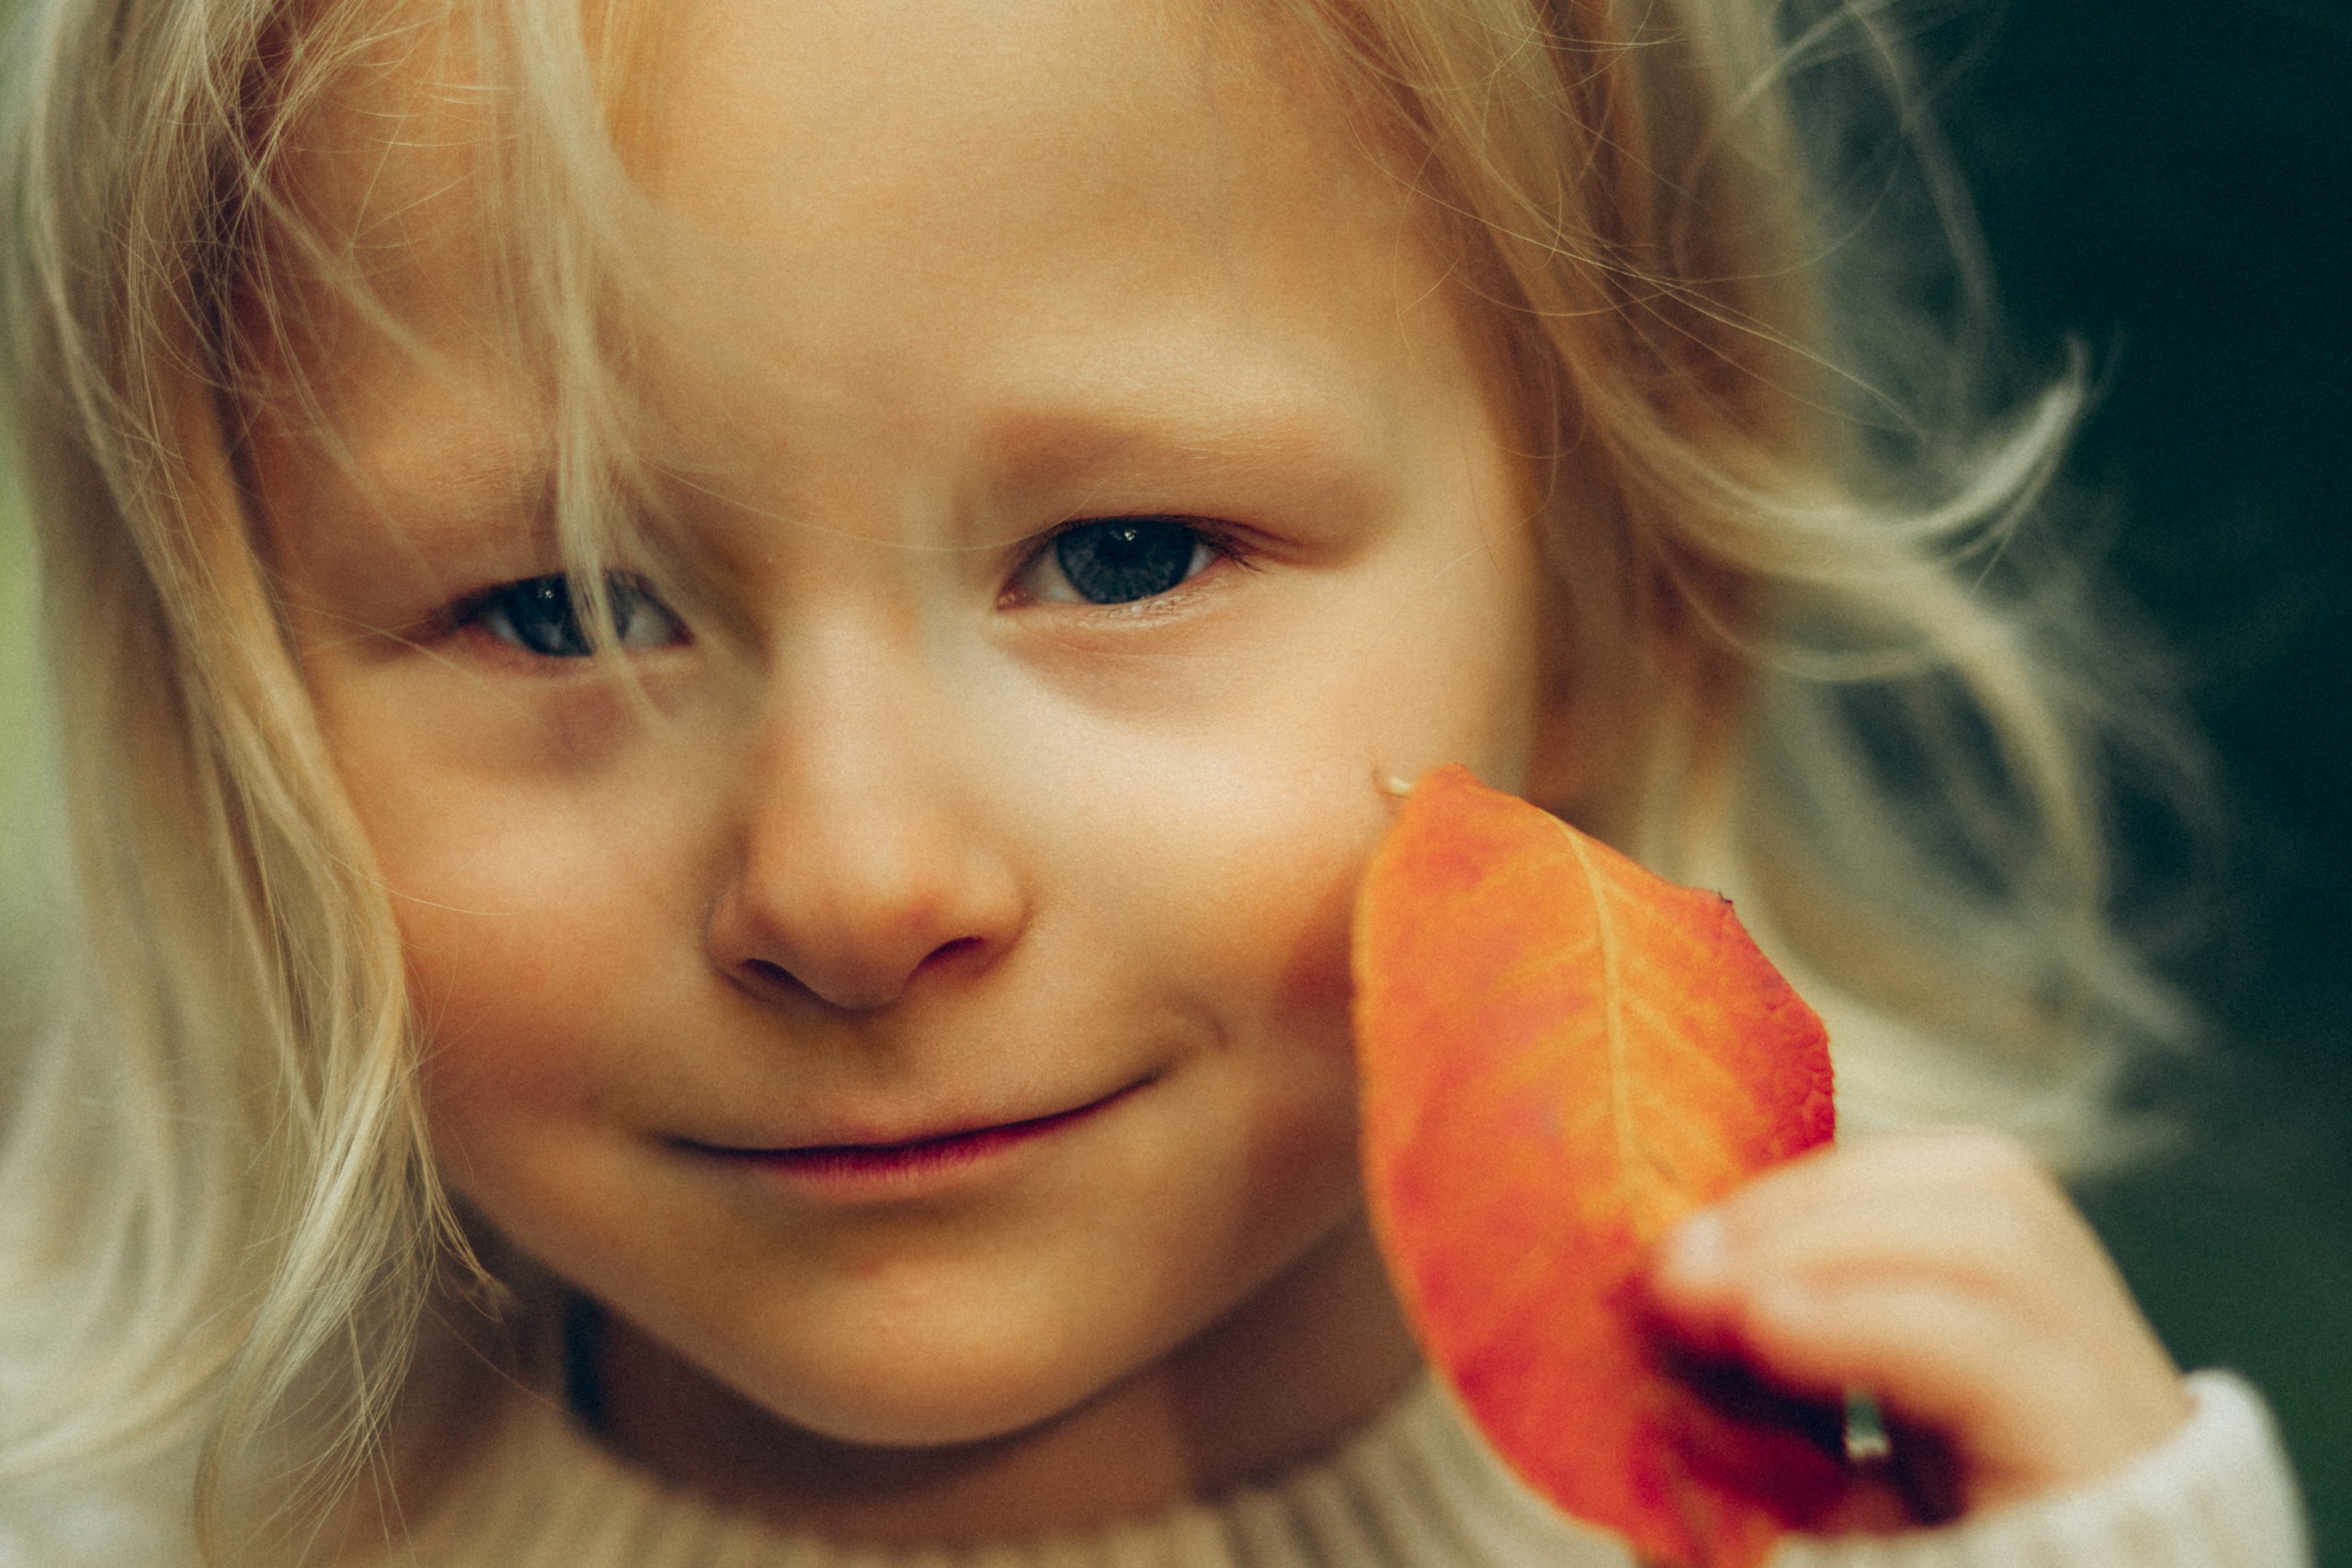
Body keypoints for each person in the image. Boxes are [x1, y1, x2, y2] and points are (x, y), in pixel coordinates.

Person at [0, 0, 2309, 1563]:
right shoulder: (135, 1510)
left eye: (1119, 558)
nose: (851, 875)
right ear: (223, 706)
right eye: (567, 607)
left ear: (1608, 602)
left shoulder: (1902, 1515)